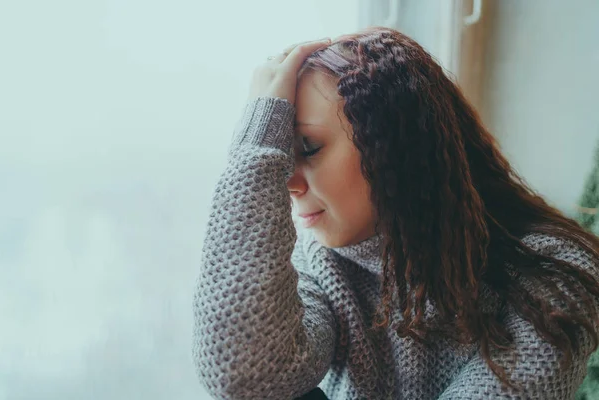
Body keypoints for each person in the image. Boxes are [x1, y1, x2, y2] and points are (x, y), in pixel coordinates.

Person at [192, 27, 599, 399]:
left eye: (310, 148)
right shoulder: (321, 266)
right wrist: (258, 138)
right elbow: (241, 375)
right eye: (284, 156)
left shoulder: (552, 273)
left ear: (395, 145)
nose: (289, 183)